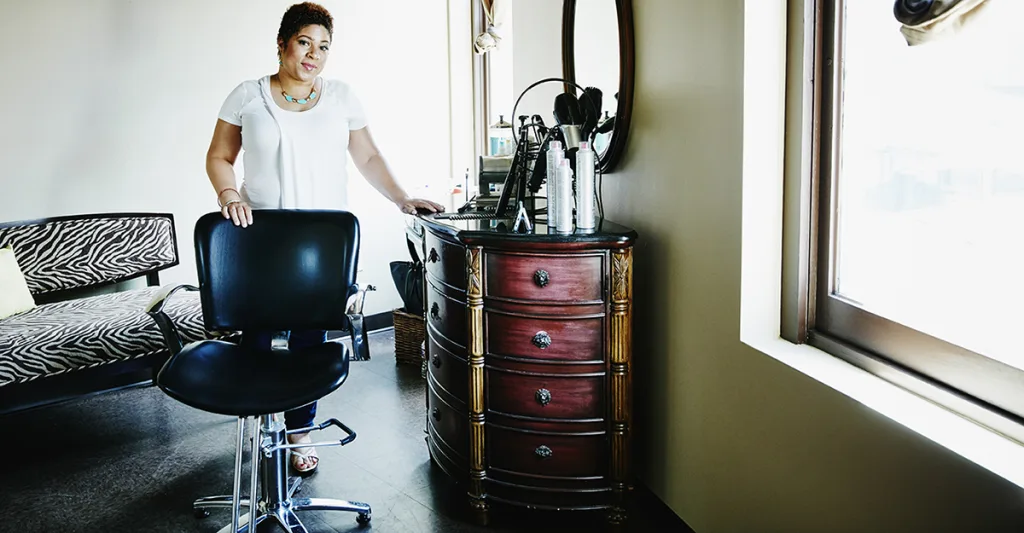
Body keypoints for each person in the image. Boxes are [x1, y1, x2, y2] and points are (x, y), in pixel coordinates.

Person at [205, 2, 443, 474]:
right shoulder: (247, 96)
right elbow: (218, 156)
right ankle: (255, 426)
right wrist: (228, 192)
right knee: (255, 337)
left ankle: (299, 435)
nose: (313, 55)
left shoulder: (341, 97)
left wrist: (402, 197)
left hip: (319, 248)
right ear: (282, 44)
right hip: (259, 240)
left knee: (309, 342)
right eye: (304, 43)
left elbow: (369, 156)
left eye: (324, 47)